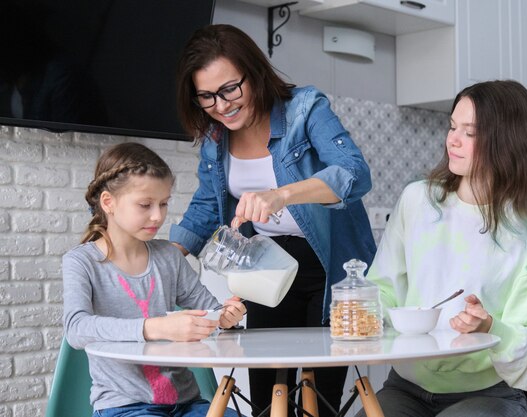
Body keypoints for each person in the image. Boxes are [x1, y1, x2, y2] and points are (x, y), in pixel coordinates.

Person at [169, 24, 377, 417]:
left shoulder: (305, 108)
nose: (222, 105)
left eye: (230, 89)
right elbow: (205, 208)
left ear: (254, 72)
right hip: (266, 268)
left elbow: (354, 172)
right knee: (269, 395)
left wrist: (282, 194)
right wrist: (161, 255)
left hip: (330, 265)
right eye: (207, 97)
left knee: (320, 397)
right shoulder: (217, 138)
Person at [357, 80, 527, 417]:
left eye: (470, 132)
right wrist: (361, 310)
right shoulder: (417, 201)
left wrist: (491, 327)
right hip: (404, 389)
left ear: (506, 142)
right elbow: (384, 289)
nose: (453, 140)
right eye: (452, 126)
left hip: (488, 395)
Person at [62, 142, 247, 417]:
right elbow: (77, 328)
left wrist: (225, 318)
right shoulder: (81, 262)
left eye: (163, 203)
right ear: (108, 203)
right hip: (124, 407)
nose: (158, 216)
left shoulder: (168, 257)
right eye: (145, 205)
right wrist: (155, 327)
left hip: (187, 404)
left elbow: (210, 309)